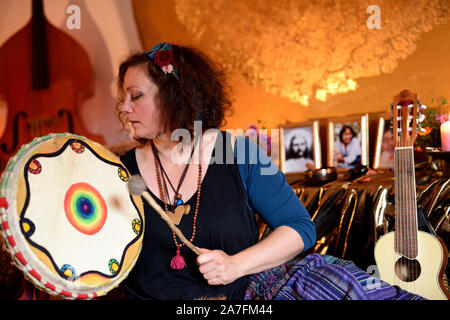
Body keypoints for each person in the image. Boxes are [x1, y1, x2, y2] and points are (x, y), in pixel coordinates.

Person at [115, 42, 424, 300]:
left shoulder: (238, 153)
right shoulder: (118, 171)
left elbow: (300, 229)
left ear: (175, 94)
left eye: (136, 95)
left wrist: (236, 265)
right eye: (124, 98)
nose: (124, 107)